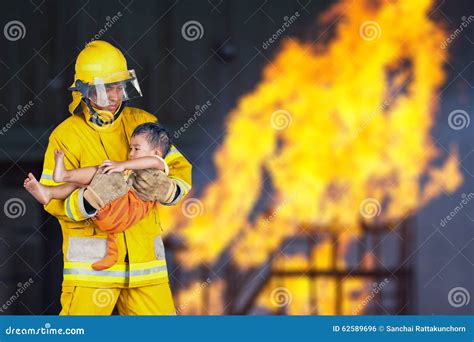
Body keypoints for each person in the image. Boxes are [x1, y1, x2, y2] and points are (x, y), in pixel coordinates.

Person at [31, 40, 192, 315]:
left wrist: (168, 190)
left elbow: (178, 167)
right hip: (92, 274)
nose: (115, 95)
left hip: (146, 270)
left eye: (119, 86)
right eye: (106, 88)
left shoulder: (143, 122)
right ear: (84, 91)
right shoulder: (66, 135)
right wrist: (88, 200)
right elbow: (52, 199)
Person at [24, 122, 174, 271]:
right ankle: (49, 192)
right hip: (113, 216)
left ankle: (65, 175)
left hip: (125, 210)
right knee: (88, 182)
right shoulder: (135, 171)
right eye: (130, 149)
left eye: (136, 149)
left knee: (103, 172)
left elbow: (149, 161)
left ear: (156, 153)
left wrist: (122, 165)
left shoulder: (158, 165)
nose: (131, 154)